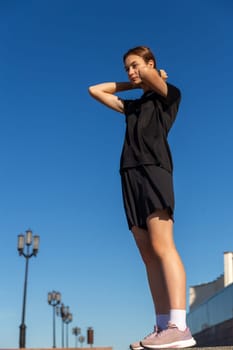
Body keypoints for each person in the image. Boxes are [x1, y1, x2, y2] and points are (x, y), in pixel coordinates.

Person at [88, 46, 196, 349]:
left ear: (151, 64)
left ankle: (179, 325)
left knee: (163, 246)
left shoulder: (168, 95)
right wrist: (132, 82)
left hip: (154, 170)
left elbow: (152, 76)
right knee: (147, 253)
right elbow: (95, 90)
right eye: (126, 68)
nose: (131, 71)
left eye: (135, 65)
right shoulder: (133, 107)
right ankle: (163, 328)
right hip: (129, 174)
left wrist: (150, 74)